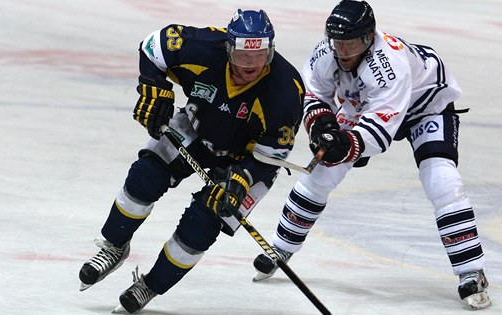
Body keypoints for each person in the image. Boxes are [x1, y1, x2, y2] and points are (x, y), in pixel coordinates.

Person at [252, 0, 491, 310]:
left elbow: (380, 131)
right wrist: (321, 124)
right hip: (366, 101)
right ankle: (280, 249)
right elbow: (314, 94)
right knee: (323, 172)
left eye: (350, 43)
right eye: (337, 41)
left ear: (368, 38)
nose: (342, 50)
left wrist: (348, 144)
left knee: (442, 179)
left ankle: (471, 271)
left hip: (425, 106)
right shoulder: (325, 52)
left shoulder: (390, 64)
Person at [78, 9, 305, 313]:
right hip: (196, 128)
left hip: (246, 161)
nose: (251, 64)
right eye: (243, 56)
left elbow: (271, 156)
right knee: (145, 176)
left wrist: (242, 180)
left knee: (204, 222)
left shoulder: (286, 90)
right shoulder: (203, 47)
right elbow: (152, 46)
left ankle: (151, 285)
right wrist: (153, 86)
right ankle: (114, 246)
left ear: (271, 50)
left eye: (260, 55)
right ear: (228, 47)